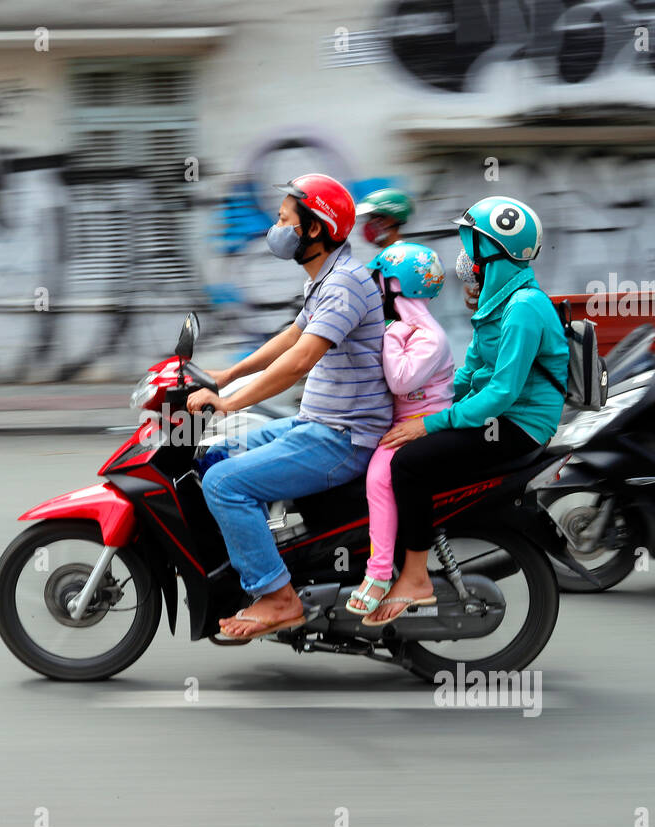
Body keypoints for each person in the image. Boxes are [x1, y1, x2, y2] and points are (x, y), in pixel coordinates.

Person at [186, 173, 392, 640]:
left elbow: (300, 360)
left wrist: (229, 402)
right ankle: (257, 563)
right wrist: (225, 374)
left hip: (342, 438)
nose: (275, 228)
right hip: (317, 423)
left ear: (313, 229)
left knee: (222, 483)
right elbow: (292, 335)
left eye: (283, 219)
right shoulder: (326, 278)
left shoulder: (343, 284)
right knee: (215, 455)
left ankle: (278, 597)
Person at [362, 196, 568, 625]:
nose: (465, 254)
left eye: (473, 242)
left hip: (518, 426)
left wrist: (431, 423)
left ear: (495, 251)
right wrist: (416, 404)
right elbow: (467, 376)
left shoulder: (524, 308)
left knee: (409, 464)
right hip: (495, 417)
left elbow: (502, 393)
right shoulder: (495, 306)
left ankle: (415, 577)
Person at [344, 242, 454, 620]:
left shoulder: (429, 337)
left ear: (396, 286)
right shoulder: (402, 329)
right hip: (397, 423)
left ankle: (377, 574)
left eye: (379, 281)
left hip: (420, 425)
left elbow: (400, 381)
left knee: (379, 478)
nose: (375, 289)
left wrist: (391, 336)